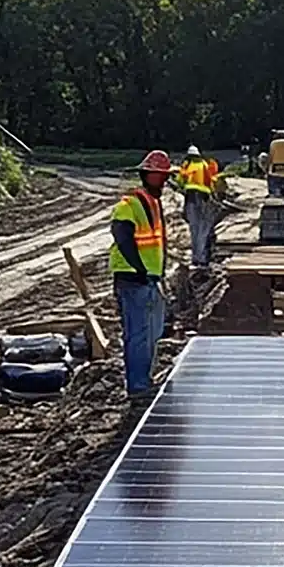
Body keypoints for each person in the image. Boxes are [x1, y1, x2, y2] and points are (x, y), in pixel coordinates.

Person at [109, 149, 172, 401]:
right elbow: (121, 236)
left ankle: (143, 379)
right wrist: (140, 269)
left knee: (151, 334)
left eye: (165, 177)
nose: (163, 182)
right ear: (146, 175)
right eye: (159, 176)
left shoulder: (153, 202)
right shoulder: (130, 203)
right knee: (138, 335)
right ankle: (138, 386)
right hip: (133, 279)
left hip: (149, 277)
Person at [177, 144, 218, 267]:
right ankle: (202, 258)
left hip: (190, 198)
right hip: (203, 198)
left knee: (194, 228)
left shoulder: (186, 166)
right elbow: (210, 181)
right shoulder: (204, 165)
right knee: (203, 228)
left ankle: (196, 258)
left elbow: (180, 180)